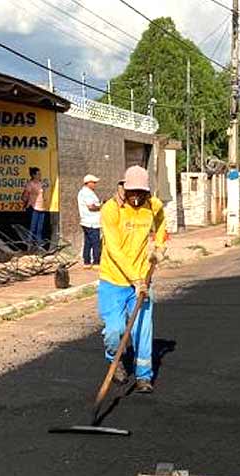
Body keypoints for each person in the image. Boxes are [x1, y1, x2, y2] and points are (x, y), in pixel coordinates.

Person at [98, 165, 167, 394]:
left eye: (141, 192)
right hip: (113, 281)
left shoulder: (152, 205)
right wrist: (135, 279)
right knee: (114, 330)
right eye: (132, 192)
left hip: (141, 281)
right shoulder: (111, 209)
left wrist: (159, 246)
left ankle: (143, 377)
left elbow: (162, 222)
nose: (136, 197)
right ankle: (114, 360)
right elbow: (115, 250)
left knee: (142, 330)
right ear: (124, 189)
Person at [77, 174, 103, 269]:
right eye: (94, 182)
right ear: (88, 183)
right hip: (91, 222)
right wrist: (101, 206)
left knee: (88, 242)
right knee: (95, 242)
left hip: (87, 221)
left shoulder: (86, 192)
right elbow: (91, 207)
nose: (95, 184)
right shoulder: (87, 193)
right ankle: (96, 262)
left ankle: (87, 262)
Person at [21, 167, 49, 247]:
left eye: (40, 174)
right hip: (33, 207)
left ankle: (39, 244)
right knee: (32, 228)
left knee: (40, 228)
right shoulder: (30, 184)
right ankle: (29, 244)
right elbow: (25, 195)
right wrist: (26, 203)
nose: (40, 175)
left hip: (41, 207)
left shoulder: (41, 183)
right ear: (33, 175)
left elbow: (43, 194)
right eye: (38, 174)